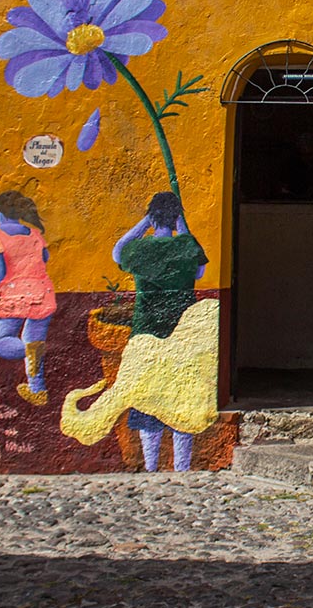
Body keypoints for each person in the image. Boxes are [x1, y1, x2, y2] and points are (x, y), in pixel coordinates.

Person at [112, 191, 208, 470]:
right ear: (177, 216)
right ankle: (182, 468)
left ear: (152, 217)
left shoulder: (140, 250)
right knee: (182, 402)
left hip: (146, 334)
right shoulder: (185, 247)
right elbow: (199, 272)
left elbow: (117, 251)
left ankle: (151, 467)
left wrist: (145, 222)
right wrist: (183, 227)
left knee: (147, 400)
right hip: (182, 336)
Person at [0, 191, 56, 406]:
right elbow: (45, 258)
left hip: (16, 294)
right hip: (43, 292)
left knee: (2, 341)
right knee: (34, 342)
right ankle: (37, 390)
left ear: (1, 214)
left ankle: (27, 350)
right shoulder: (34, 234)